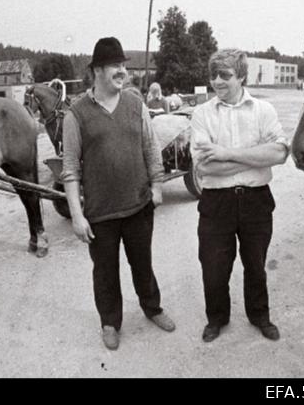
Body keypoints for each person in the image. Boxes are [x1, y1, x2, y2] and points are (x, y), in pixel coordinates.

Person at [60, 37, 175, 351]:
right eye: (115, 66)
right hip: (100, 213)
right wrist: (77, 215)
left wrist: (156, 186)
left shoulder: (136, 104)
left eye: (124, 66)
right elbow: (69, 168)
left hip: (139, 206)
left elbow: (151, 147)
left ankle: (153, 308)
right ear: (97, 70)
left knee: (143, 265)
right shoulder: (77, 114)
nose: (122, 71)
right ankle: (110, 323)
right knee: (106, 273)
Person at [190, 49, 289, 343]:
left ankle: (260, 316)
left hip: (256, 200)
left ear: (242, 76)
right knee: (214, 268)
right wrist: (256, 157)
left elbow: (281, 153)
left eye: (226, 75)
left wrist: (227, 153)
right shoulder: (202, 114)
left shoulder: (263, 111)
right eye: (214, 75)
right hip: (216, 203)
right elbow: (205, 165)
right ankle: (217, 319)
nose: (217, 81)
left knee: (256, 265)